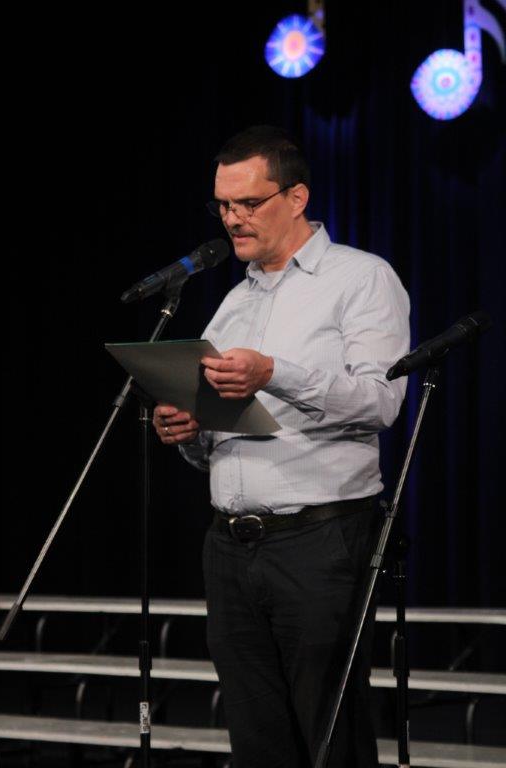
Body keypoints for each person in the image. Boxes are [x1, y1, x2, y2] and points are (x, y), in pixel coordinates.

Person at [152, 125, 410, 768]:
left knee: (330, 737)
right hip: (229, 546)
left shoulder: (361, 278)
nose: (232, 219)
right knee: (257, 739)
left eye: (248, 203)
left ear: (297, 198)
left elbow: (381, 402)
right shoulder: (232, 304)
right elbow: (220, 436)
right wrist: (190, 433)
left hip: (320, 541)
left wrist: (275, 372)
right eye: (222, 205)